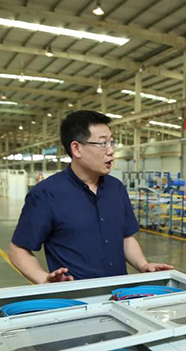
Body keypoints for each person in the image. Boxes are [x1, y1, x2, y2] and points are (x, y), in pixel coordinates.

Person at [9, 110, 172, 283]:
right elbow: (17, 250)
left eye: (112, 142)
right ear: (77, 148)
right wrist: (44, 281)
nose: (111, 151)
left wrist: (143, 265)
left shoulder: (116, 188)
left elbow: (126, 238)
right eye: (103, 143)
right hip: (76, 296)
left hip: (120, 293)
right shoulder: (46, 194)